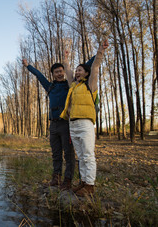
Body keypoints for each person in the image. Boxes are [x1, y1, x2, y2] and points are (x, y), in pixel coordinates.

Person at [60, 40, 109, 196]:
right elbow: (67, 70)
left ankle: (90, 185)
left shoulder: (90, 85)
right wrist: (65, 59)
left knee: (88, 154)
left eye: (80, 70)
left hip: (85, 123)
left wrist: (100, 51)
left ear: (86, 73)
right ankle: (83, 183)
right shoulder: (73, 86)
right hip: (72, 124)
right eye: (76, 70)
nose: (77, 72)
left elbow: (95, 66)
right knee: (80, 156)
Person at [22, 59, 74, 190]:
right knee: (56, 153)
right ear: (53, 74)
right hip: (53, 125)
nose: (59, 74)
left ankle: (67, 180)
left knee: (68, 154)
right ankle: (56, 178)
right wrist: (28, 66)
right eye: (56, 72)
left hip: (66, 124)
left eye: (61, 71)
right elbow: (39, 75)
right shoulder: (50, 87)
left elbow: (86, 70)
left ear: (64, 72)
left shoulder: (70, 85)